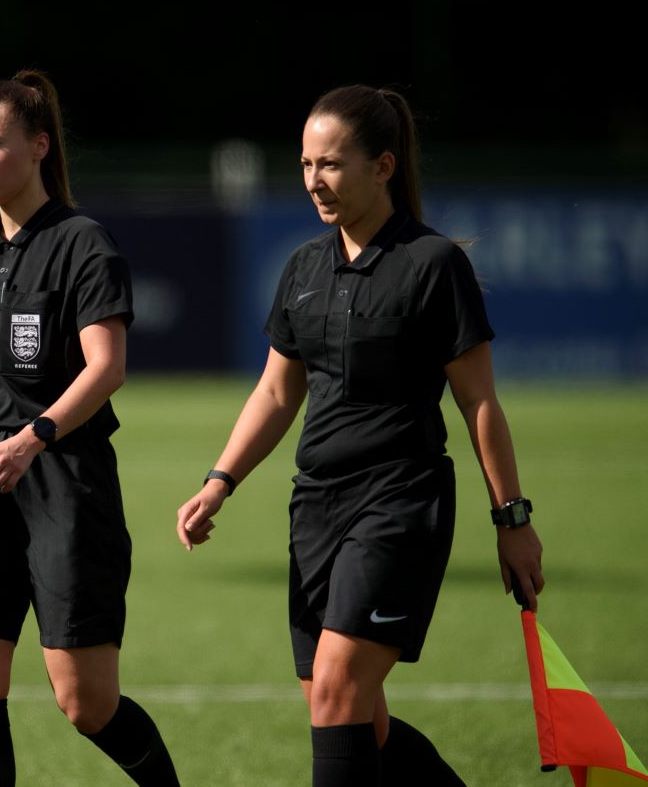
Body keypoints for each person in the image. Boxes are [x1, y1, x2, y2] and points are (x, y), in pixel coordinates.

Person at [176, 84, 545, 786]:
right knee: (342, 705)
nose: (315, 180)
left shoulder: (433, 265)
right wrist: (218, 481)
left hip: (399, 501)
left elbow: (479, 403)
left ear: (383, 165)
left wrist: (512, 518)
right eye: (307, 164)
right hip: (316, 504)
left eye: (332, 164)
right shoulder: (303, 267)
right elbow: (277, 391)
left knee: (339, 689)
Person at [0, 71, 179, 786]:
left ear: (39, 146)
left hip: (67, 479)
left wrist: (32, 436)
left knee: (85, 701)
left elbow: (107, 367)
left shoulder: (83, 243)